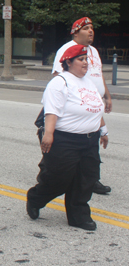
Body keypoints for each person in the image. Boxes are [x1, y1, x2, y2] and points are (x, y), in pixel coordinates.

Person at [27, 44, 108, 231]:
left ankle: (78, 215)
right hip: (65, 140)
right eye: (81, 60)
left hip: (89, 139)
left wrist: (103, 130)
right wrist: (48, 134)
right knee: (58, 178)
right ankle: (36, 198)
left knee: (86, 178)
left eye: (86, 59)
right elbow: (52, 111)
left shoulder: (88, 82)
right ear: (68, 62)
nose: (85, 63)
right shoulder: (60, 82)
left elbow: (94, 108)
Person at [52, 17, 112, 195]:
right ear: (75, 32)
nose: (91, 31)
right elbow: (57, 78)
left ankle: (91, 180)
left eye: (92, 28)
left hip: (92, 104)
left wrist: (106, 96)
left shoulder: (93, 51)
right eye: (86, 28)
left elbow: (98, 76)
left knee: (91, 143)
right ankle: (49, 176)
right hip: (75, 106)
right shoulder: (66, 49)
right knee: (64, 146)